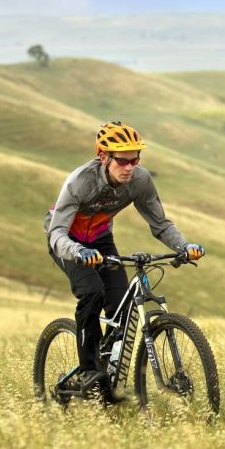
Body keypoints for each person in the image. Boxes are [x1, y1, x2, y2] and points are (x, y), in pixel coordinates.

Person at [44, 120, 204, 399]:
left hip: (101, 240)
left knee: (120, 307)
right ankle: (89, 369)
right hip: (68, 241)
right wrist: (79, 252)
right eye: (123, 161)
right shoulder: (80, 182)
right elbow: (56, 233)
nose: (130, 167)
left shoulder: (140, 180)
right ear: (103, 157)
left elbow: (160, 224)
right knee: (92, 293)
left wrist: (184, 245)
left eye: (136, 159)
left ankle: (109, 381)